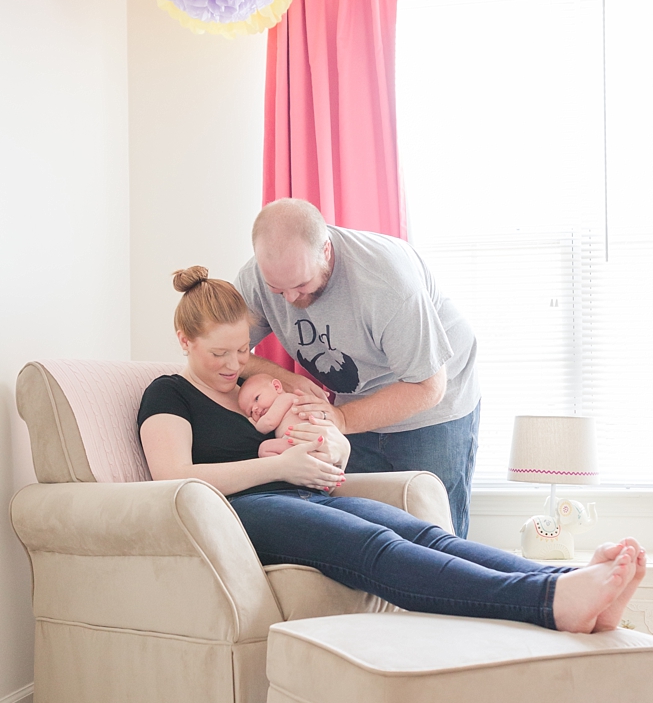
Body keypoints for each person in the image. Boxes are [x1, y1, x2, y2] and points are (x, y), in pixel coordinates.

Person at [137, 266, 646, 636]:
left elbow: (305, 423)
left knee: (425, 534)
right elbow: (173, 476)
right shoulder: (167, 393)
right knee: (376, 549)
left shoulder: (252, 386)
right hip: (241, 512)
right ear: (184, 340)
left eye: (243, 349)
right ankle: (549, 601)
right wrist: (281, 465)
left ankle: (567, 577)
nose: (234, 364)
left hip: (301, 495)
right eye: (218, 354)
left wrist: (317, 449)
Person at [234, 198, 481, 538]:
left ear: (326, 251)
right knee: (367, 533)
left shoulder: (386, 280)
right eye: (278, 290)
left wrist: (343, 419)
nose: (290, 299)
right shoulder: (256, 279)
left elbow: (428, 386)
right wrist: (289, 379)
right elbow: (229, 351)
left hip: (433, 401)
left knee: (436, 536)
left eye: (302, 285)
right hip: (354, 400)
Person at [238, 373, 303, 458]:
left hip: (304, 437)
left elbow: (269, 423)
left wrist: (253, 425)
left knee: (264, 449)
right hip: (299, 441)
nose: (254, 409)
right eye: (250, 412)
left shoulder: (285, 399)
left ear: (276, 387)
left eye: (256, 398)